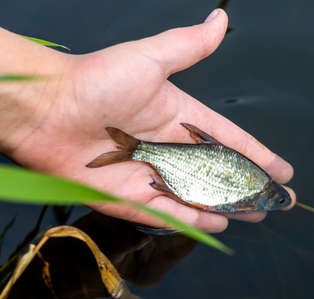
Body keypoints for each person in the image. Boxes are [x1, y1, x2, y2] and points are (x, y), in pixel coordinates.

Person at [0, 9, 295, 233]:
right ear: (269, 196)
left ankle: (139, 153)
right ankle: (138, 150)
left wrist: (53, 97)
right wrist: (59, 95)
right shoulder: (257, 190)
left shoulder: (256, 188)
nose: (278, 202)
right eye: (279, 201)